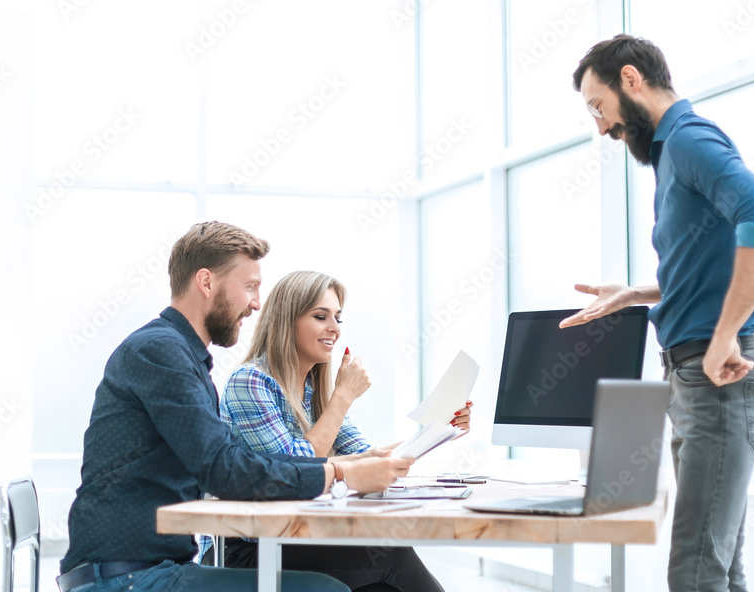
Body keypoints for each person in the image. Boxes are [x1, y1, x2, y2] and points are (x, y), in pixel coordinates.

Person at [563, 35, 754, 592]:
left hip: (720, 377)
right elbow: (706, 268)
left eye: (598, 107)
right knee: (716, 566)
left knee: (695, 572)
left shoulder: (689, 139)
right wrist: (638, 294)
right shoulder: (671, 152)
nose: (601, 127)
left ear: (630, 79)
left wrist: (724, 335)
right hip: (694, 378)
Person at [57, 222, 413, 592]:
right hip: (125, 579)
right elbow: (225, 470)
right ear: (207, 283)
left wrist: (344, 465)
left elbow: (233, 462)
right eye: (250, 287)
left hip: (149, 569)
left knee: (362, 572)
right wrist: (340, 475)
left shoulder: (182, 356)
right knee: (329, 589)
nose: (256, 303)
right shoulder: (160, 352)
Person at [218, 270, 472, 591]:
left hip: (295, 536)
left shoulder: (315, 390)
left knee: (382, 578)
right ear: (286, 321)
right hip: (252, 548)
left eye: (338, 318)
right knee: (389, 556)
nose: (335, 329)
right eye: (321, 316)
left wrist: (440, 428)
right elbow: (291, 473)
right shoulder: (251, 382)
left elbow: (367, 457)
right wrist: (342, 398)